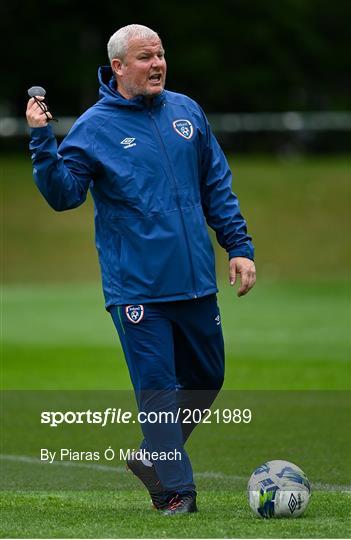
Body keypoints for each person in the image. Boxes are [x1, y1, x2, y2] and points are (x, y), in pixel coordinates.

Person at [26, 24, 256, 515]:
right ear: (118, 67)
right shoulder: (94, 126)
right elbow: (65, 195)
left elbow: (216, 183)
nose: (157, 64)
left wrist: (238, 245)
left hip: (194, 280)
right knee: (158, 389)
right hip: (137, 290)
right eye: (145, 57)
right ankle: (176, 492)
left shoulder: (186, 111)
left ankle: (153, 458)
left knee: (208, 377)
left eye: (161, 55)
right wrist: (42, 141)